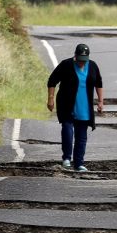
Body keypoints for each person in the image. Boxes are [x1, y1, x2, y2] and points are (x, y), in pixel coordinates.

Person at [47, 43, 104, 172]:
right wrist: (50, 99)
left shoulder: (93, 66)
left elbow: (99, 83)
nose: (81, 63)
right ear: (75, 56)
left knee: (82, 135)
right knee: (67, 129)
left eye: (84, 61)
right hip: (66, 103)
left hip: (84, 105)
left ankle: (79, 163)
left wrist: (101, 101)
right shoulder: (66, 65)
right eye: (79, 60)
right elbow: (52, 80)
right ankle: (66, 158)